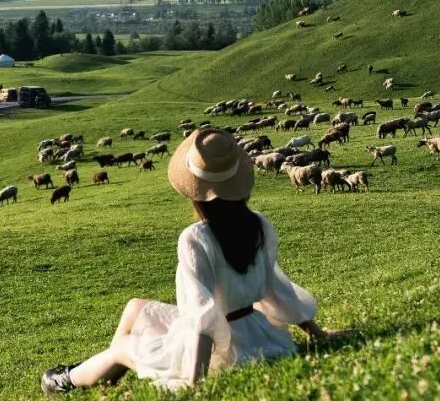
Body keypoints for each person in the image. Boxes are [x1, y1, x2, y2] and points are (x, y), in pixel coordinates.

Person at [41, 128, 348, 393]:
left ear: (196, 191)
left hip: (221, 350)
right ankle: (108, 370)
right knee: (135, 306)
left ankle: (68, 379)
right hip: (261, 335)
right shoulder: (258, 225)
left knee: (120, 349)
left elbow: (202, 316)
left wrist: (195, 382)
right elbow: (276, 289)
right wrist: (318, 334)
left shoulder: (195, 237)